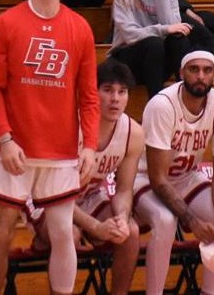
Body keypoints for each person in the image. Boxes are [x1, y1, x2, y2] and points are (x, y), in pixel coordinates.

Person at [0, 0, 100, 295]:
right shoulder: (6, 23)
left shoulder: (80, 27)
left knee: (64, 233)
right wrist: (4, 138)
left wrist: (90, 146)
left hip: (61, 149)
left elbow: (89, 96)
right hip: (12, 147)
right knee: (1, 233)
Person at [133, 51, 214, 295]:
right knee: (165, 220)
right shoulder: (162, 105)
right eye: (194, 69)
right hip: (145, 179)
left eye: (207, 70)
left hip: (186, 177)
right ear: (181, 74)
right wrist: (192, 220)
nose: (201, 76)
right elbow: (158, 179)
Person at [58, 60, 144, 295]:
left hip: (89, 196)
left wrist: (122, 218)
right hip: (48, 199)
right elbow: (55, 194)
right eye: (107, 90)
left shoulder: (133, 133)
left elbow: (124, 189)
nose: (115, 99)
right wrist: (95, 226)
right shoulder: (68, 126)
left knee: (129, 232)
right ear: (92, 93)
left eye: (122, 91)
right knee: (69, 234)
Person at [109, 0, 193, 97]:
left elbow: (173, 28)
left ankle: (185, 95)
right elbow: (129, 35)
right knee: (153, 42)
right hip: (127, 61)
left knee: (179, 39)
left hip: (157, 61)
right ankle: (155, 101)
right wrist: (164, 30)